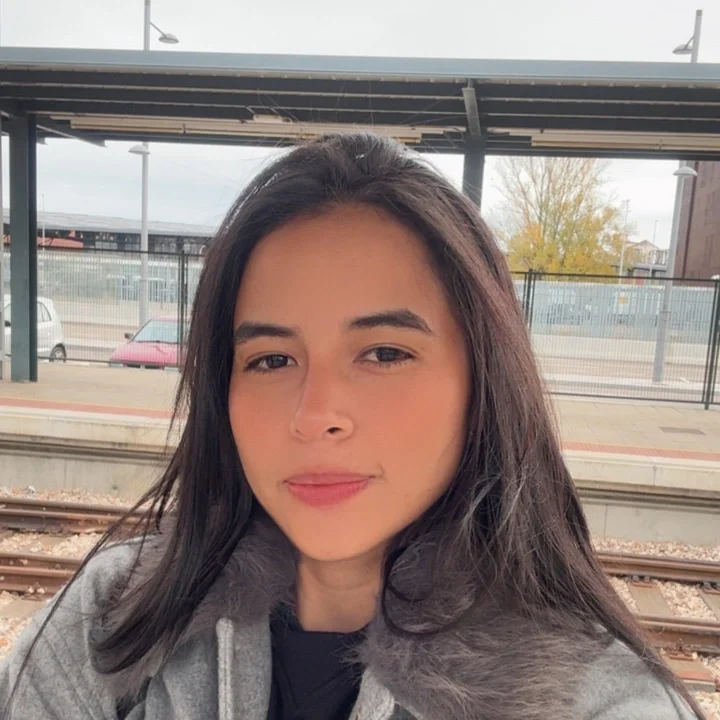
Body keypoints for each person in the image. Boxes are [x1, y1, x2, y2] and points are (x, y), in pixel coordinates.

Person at [0, 133, 705, 720]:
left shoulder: (587, 697)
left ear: (484, 383)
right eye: (271, 359)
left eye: (384, 353)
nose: (315, 416)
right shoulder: (112, 622)